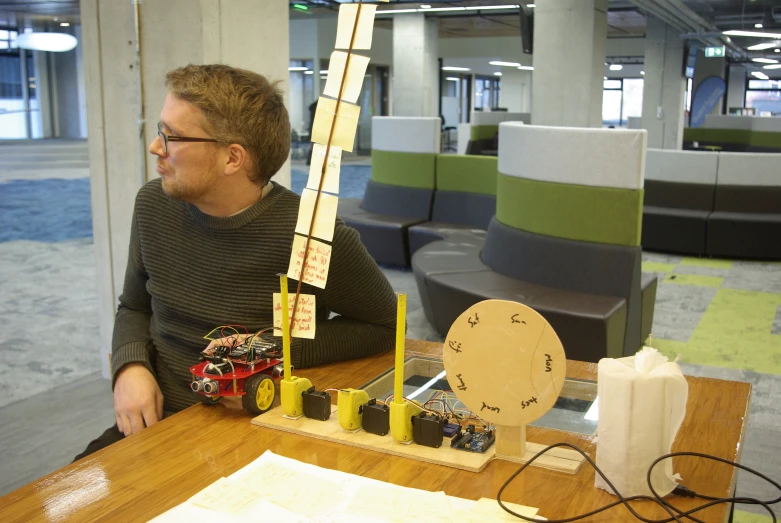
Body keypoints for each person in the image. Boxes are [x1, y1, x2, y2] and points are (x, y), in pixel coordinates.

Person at [75, 64, 397, 459]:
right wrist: (129, 368)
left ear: (233, 158)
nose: (156, 147)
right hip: (154, 423)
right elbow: (135, 305)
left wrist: (268, 354)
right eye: (160, 131)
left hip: (253, 432)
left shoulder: (312, 234)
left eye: (171, 136)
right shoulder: (153, 205)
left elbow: (384, 326)